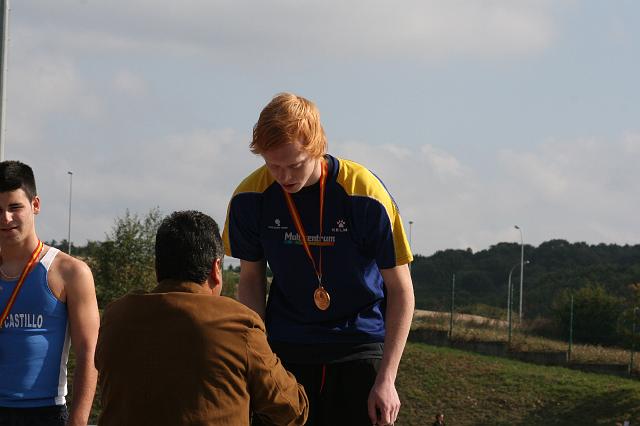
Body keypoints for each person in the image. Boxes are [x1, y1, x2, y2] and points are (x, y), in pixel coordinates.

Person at [223, 93, 415, 426]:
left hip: (358, 345)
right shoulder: (249, 198)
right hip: (286, 349)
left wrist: (387, 380)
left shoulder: (364, 194)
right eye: (273, 165)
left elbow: (401, 290)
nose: (284, 176)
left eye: (294, 164)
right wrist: (259, 362)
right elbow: (251, 281)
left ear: (318, 146)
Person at [95, 210, 309, 426]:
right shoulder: (237, 323)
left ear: (158, 269)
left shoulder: (116, 317)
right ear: (216, 268)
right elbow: (291, 409)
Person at [0, 160, 99, 426]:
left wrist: (78, 421)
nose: (6, 218)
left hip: (44, 413)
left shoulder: (70, 272)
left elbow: (89, 353)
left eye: (15, 207)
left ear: (35, 205)